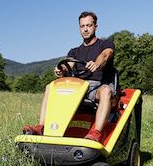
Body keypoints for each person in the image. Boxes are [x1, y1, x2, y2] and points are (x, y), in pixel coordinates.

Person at [23, 11, 117, 143]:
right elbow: (69, 63)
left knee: (106, 91)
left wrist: (97, 63)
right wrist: (61, 69)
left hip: (97, 87)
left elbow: (105, 55)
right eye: (82, 26)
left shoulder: (106, 44)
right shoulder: (75, 51)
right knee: (50, 87)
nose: (85, 29)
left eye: (89, 25)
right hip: (78, 87)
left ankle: (96, 132)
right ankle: (41, 127)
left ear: (96, 26)